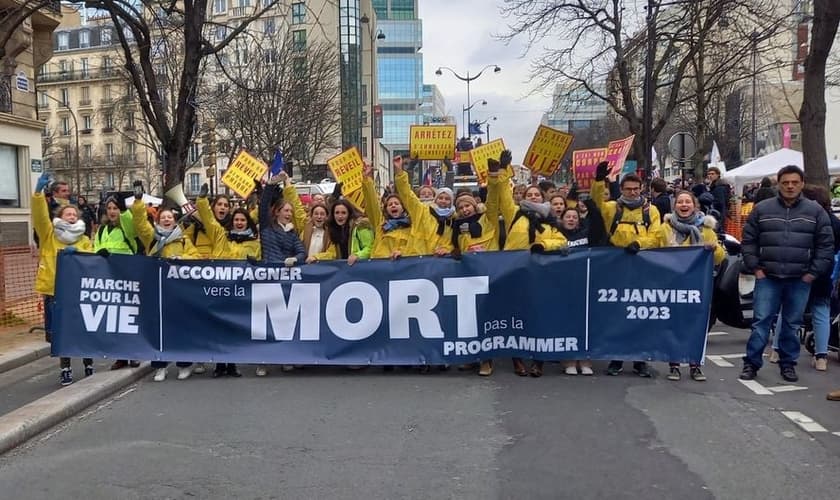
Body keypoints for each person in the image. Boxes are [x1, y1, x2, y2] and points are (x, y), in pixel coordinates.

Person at [739, 165, 834, 383]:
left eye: (794, 182)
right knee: (761, 322)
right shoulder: (762, 209)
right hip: (768, 277)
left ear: (801, 184)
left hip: (800, 278)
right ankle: (751, 364)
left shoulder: (815, 211)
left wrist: (812, 273)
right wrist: (756, 268)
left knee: (792, 324)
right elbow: (749, 240)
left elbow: (825, 246)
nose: (790, 186)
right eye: (785, 182)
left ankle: (788, 365)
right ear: (778, 184)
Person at [591, 161, 662, 377]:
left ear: (641, 189)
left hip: (642, 266)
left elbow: (657, 236)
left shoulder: (652, 210)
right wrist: (598, 181)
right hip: (616, 266)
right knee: (617, 313)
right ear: (620, 189)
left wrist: (640, 244)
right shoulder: (612, 208)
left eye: (635, 189)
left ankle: (640, 359)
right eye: (628, 189)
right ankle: (617, 357)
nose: (632, 192)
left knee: (640, 312)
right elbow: (595, 203)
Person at [500, 170, 567, 377]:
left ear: (543, 197)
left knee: (539, 316)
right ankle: (517, 359)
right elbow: (502, 194)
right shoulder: (515, 214)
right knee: (515, 316)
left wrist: (542, 244)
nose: (533, 198)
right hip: (515, 273)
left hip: (540, 275)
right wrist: (501, 173)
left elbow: (562, 241)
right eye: (530, 195)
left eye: (537, 195)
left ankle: (538, 361)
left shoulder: (549, 220)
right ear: (522, 198)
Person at [131, 182, 200, 381]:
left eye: (170, 217)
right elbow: (140, 223)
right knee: (159, 329)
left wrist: (183, 260)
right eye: (163, 217)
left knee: (181, 329)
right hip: (158, 289)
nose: (167, 219)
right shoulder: (151, 237)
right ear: (158, 221)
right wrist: (138, 202)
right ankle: (160, 366)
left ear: (174, 220)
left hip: (179, 291)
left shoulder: (184, 239)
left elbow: (195, 257)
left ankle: (184, 364)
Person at [32, 172, 94, 386]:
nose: (70, 216)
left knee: (82, 327)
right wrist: (38, 193)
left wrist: (79, 254)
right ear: (60, 216)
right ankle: (65, 368)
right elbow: (39, 216)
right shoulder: (49, 234)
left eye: (73, 214)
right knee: (59, 333)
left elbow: (91, 260)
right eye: (67, 214)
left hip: (77, 290)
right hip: (54, 289)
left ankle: (88, 362)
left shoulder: (84, 239)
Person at [659, 191, 725, 381]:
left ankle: (695, 364)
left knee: (695, 324)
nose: (684, 204)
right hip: (672, 283)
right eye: (680, 202)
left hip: (697, 285)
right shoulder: (665, 228)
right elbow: (653, 247)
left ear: (694, 206)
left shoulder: (705, 229)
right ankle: (674, 364)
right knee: (674, 323)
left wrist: (714, 248)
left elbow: (719, 257)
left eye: (688, 201)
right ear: (675, 206)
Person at [195, 183, 259, 378]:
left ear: (247, 223)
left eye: (243, 220)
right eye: (237, 220)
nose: (239, 222)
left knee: (233, 328)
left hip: (240, 291)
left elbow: (259, 266)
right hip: (220, 289)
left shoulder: (255, 244)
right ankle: (219, 365)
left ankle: (232, 364)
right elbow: (209, 221)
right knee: (218, 328)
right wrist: (202, 201)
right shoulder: (222, 237)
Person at [257, 174, 306, 376]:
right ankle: (262, 361)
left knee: (283, 321)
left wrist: (296, 259)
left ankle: (285, 357)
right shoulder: (267, 227)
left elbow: (301, 251)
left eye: (291, 211)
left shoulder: (292, 233)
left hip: (285, 280)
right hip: (267, 277)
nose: (289, 213)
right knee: (264, 322)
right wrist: (270, 185)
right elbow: (262, 207)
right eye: (286, 210)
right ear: (277, 212)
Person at [94, 194, 140, 370]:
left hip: (126, 275)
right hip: (109, 277)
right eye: (110, 208)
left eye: (115, 208)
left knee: (129, 316)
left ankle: (133, 353)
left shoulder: (126, 228)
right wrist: (100, 253)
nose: (112, 212)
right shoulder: (101, 230)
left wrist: (124, 210)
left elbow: (129, 221)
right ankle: (120, 355)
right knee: (115, 317)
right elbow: (96, 248)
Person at [799, 185, 840, 372]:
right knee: (822, 311)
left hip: (800, 269)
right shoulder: (834, 222)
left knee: (790, 311)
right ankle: (821, 355)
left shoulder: (804, 219)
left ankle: (777, 350)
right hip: (825, 270)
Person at [361, 160, 427, 259]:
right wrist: (367, 180)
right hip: (382, 269)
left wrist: (400, 174)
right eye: (390, 204)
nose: (393, 206)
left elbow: (408, 196)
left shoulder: (413, 225)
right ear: (386, 209)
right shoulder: (381, 225)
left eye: (396, 203)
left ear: (403, 208)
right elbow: (372, 203)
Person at [307, 199, 374, 265]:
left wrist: (357, 256)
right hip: (344, 270)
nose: (340, 216)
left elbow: (370, 248)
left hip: (360, 268)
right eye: (337, 213)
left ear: (349, 213)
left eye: (343, 213)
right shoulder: (334, 229)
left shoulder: (360, 225)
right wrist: (316, 257)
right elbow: (332, 253)